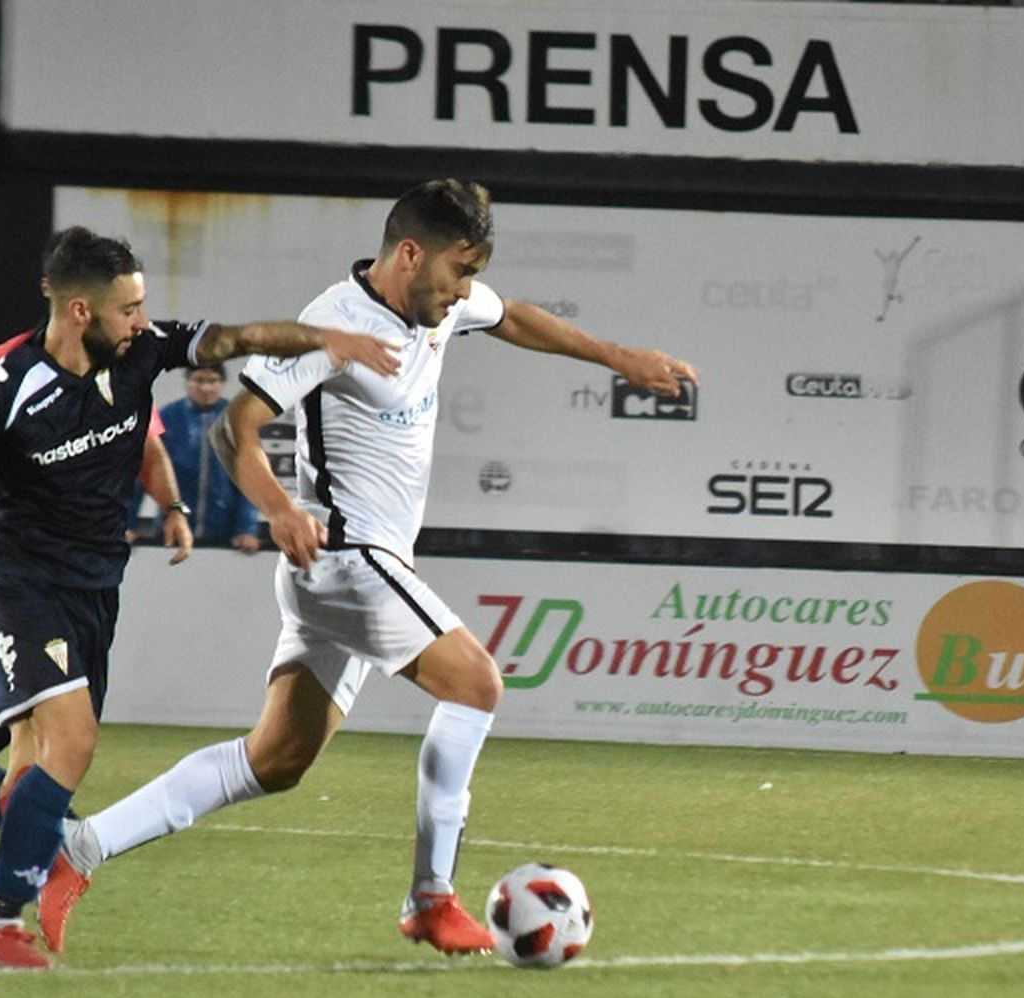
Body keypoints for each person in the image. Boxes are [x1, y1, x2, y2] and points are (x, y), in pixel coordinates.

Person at [38, 179, 698, 957]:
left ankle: (76, 850)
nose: (464, 292)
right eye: (458, 271)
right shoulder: (334, 324)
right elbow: (234, 432)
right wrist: (280, 509)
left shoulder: (441, 305)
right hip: (345, 558)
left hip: (351, 571)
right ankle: (432, 898)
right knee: (477, 683)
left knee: (274, 761)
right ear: (410, 254)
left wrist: (619, 358)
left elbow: (514, 315)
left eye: (473, 274)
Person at [0, 225, 399, 969]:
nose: (144, 322)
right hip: (24, 585)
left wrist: (327, 338)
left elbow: (236, 340)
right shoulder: (7, 381)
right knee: (74, 746)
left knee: (19, 792)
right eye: (130, 308)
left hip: (95, 589)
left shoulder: (138, 354)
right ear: (81, 310)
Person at [0, 416, 186, 767]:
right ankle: (28, 808)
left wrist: (173, 509)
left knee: (76, 713)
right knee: (45, 704)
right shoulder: (20, 370)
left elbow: (150, 449)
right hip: (29, 569)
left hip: (96, 575)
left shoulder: (129, 378)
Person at [128, 362, 263, 554]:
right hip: (172, 531)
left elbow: (250, 480)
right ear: (187, 382)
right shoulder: (167, 417)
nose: (206, 388)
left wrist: (246, 529)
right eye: (199, 380)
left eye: (212, 381)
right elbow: (143, 473)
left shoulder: (237, 420)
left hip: (224, 535)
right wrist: (127, 524)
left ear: (222, 383)